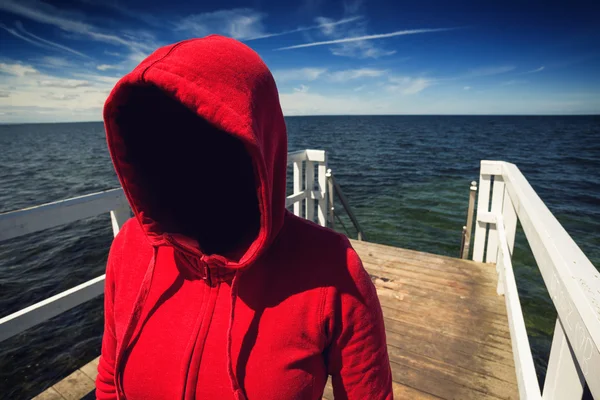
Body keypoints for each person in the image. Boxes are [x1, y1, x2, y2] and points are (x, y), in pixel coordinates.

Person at [96, 35, 392, 400]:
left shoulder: (333, 271)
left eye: (209, 137)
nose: (180, 162)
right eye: (162, 141)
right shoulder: (131, 247)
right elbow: (110, 380)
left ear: (259, 145)